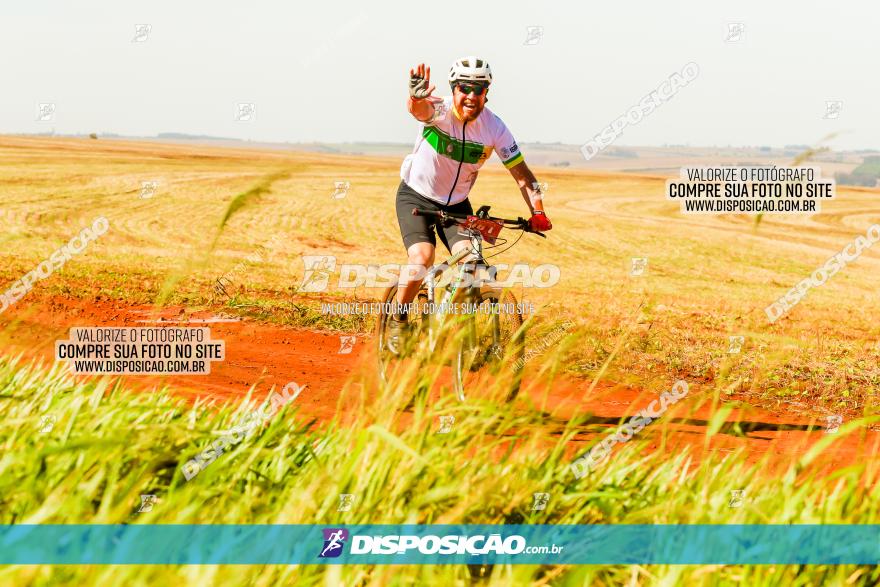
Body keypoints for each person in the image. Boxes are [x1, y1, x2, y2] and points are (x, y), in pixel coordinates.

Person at [388, 56, 552, 352]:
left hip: (456, 207)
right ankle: (397, 321)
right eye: (465, 88)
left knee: (474, 265)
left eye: (479, 89)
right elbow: (420, 110)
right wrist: (415, 97)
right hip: (416, 197)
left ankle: (461, 333)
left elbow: (522, 174)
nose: (471, 96)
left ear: (487, 93)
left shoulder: (495, 128)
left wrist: (537, 210)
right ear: (454, 89)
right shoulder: (439, 110)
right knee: (422, 259)